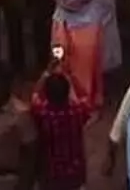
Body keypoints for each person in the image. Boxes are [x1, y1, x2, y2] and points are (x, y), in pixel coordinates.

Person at [28, 60, 93, 190]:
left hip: (50, 176)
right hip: (75, 175)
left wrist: (46, 73)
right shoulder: (78, 111)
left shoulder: (42, 113)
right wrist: (70, 76)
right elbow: (85, 96)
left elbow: (34, 96)